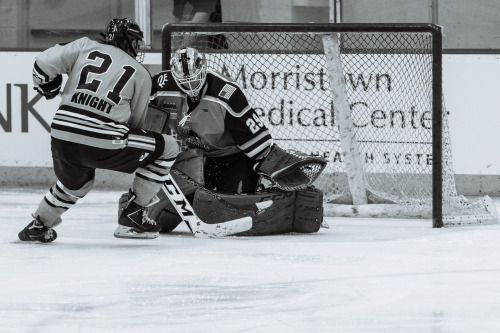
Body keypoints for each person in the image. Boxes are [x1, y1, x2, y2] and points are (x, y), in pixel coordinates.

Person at [18, 18, 179, 243]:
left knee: (76, 184)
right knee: (169, 147)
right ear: (130, 42)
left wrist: (47, 85)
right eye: (136, 42)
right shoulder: (140, 73)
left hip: (62, 135)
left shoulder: (84, 46)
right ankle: (134, 214)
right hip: (106, 140)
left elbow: (42, 63)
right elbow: (135, 125)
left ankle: (39, 224)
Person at [148, 47, 326, 235]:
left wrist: (275, 168)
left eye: (194, 78)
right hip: (193, 157)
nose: (191, 86)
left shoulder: (227, 93)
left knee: (229, 208)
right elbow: (145, 119)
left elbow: (256, 141)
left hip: (233, 156)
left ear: (204, 69)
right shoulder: (160, 85)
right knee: (157, 217)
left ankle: (281, 199)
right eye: (185, 81)